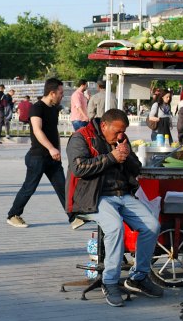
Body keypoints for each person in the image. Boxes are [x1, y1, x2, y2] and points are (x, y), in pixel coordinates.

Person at [66, 108, 163, 307]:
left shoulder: (121, 139)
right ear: (104, 125)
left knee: (152, 225)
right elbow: (79, 168)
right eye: (117, 131)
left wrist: (127, 156)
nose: (120, 135)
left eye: (123, 131)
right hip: (94, 197)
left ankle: (139, 277)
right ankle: (109, 281)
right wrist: (111, 157)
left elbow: (137, 169)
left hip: (122, 194)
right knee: (115, 227)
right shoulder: (81, 138)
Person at [7, 78, 84, 230]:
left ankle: (73, 217)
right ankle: (13, 215)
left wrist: (58, 150)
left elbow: (53, 131)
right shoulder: (37, 108)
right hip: (37, 156)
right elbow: (37, 130)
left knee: (63, 187)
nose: (62, 95)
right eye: (60, 93)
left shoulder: (54, 109)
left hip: (52, 158)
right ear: (52, 93)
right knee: (29, 187)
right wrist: (51, 148)